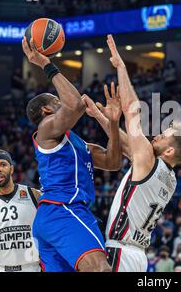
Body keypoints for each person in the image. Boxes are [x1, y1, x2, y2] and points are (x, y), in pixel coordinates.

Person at [92, 35, 181, 272]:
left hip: (120, 251)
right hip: (138, 257)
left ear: (169, 150)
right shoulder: (169, 178)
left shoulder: (150, 162)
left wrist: (120, 66)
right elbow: (127, 146)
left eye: (163, 135)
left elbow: (132, 110)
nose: (157, 136)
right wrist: (102, 118)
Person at [21, 37, 122, 272]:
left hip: (56, 216)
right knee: (101, 269)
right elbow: (75, 104)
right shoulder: (45, 129)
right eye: (57, 101)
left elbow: (112, 161)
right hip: (64, 208)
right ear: (47, 109)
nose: (62, 102)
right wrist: (47, 64)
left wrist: (114, 122)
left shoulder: (76, 143)